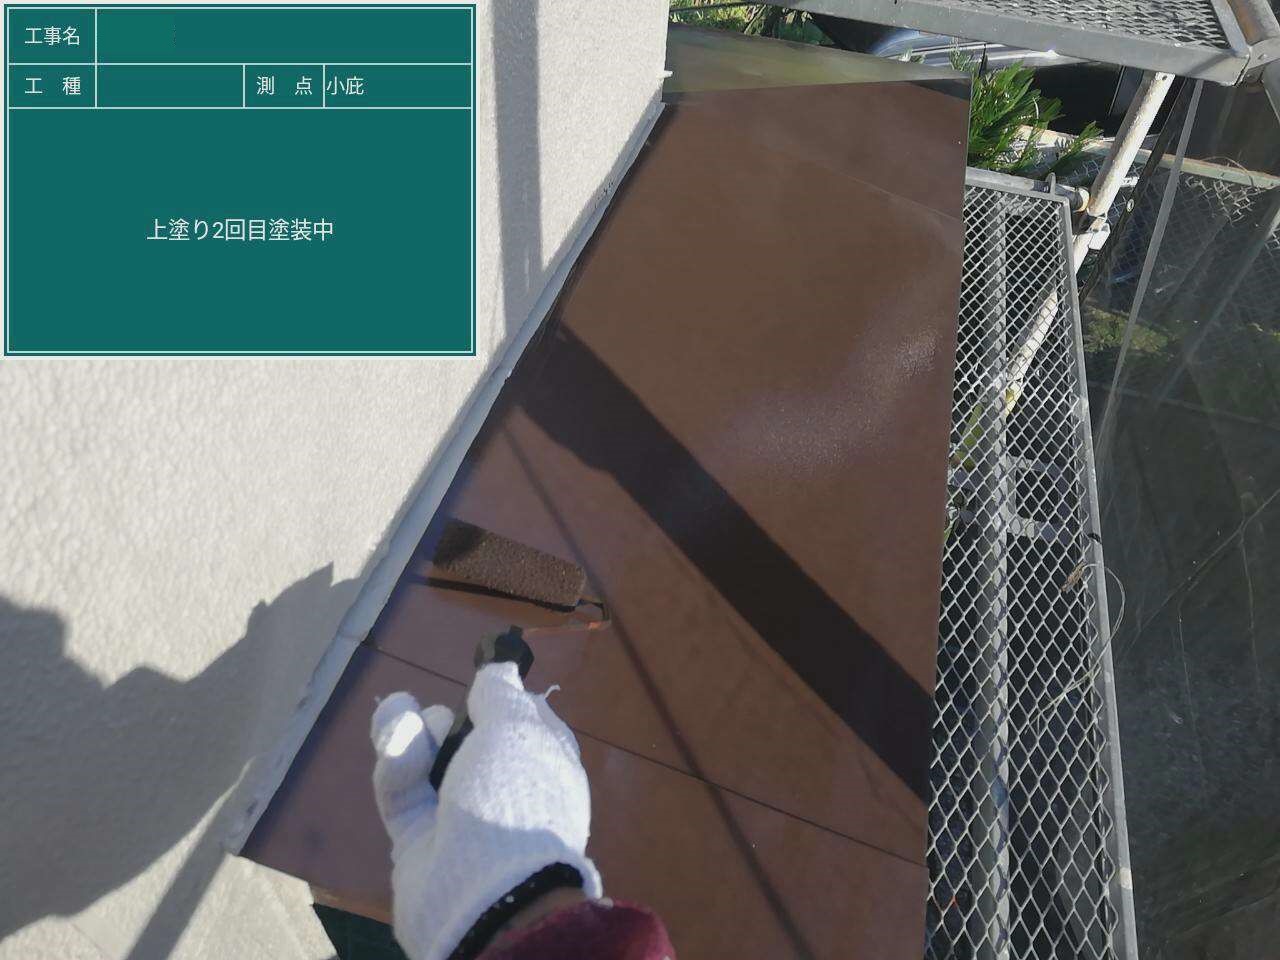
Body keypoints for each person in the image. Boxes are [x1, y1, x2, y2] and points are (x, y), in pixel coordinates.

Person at [370, 662, 677, 960]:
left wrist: (504, 690)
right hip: (423, 924)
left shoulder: (524, 792)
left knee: (412, 808)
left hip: (520, 852)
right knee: (409, 814)